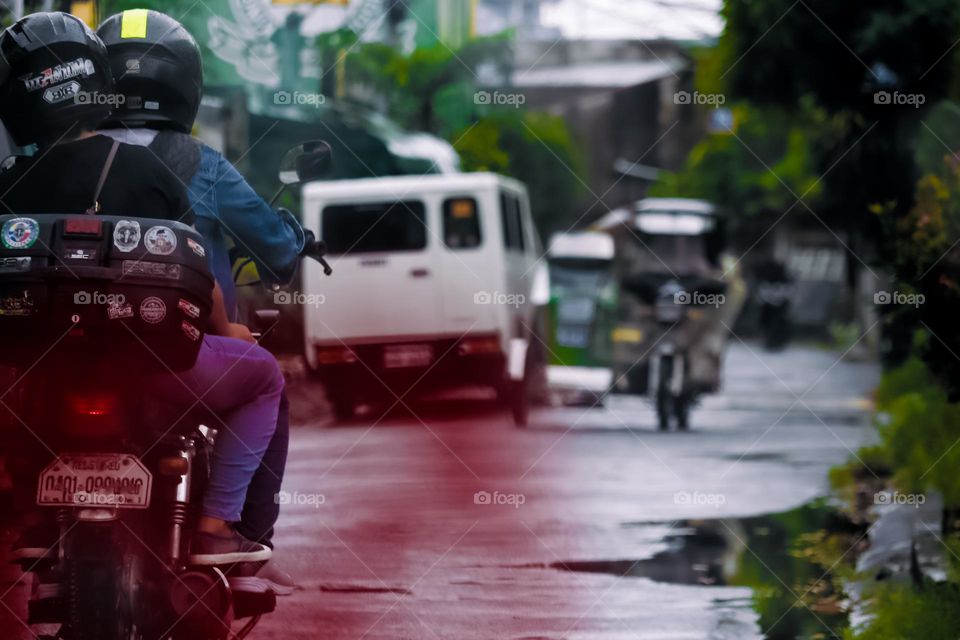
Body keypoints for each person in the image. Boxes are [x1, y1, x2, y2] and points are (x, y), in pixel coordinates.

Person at [0, 11, 281, 567]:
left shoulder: (11, 181)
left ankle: (35, 520)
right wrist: (229, 331)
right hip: (159, 366)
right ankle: (217, 525)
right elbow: (194, 266)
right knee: (266, 379)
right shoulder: (146, 167)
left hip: (43, 372)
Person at [94, 9, 306, 592]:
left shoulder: (65, 155)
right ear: (184, 86)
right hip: (179, 356)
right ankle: (234, 539)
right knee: (266, 382)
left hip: (70, 353)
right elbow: (269, 244)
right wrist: (292, 243)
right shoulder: (197, 165)